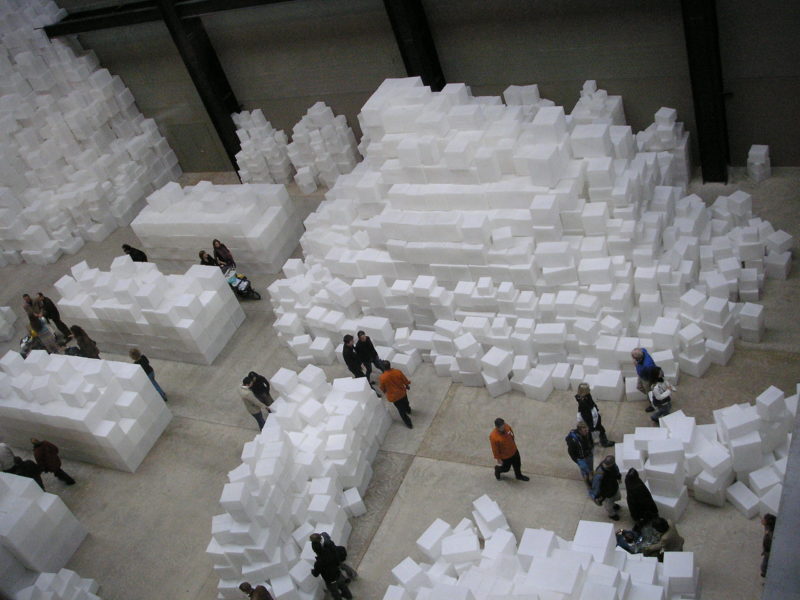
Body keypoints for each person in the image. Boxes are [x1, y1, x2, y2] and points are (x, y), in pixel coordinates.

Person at [310, 532, 353, 600]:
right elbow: (336, 560)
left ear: (315, 551)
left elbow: (316, 574)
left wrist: (312, 571)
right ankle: (349, 597)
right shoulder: (329, 552)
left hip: (331, 582)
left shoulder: (318, 563)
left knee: (336, 594)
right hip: (338, 575)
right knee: (344, 588)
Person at [575, 382, 615, 447]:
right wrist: (591, 425)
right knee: (597, 430)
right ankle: (602, 442)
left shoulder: (586, 396)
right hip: (591, 420)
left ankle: (593, 443)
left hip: (593, 416)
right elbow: (586, 415)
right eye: (588, 389)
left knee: (595, 430)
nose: (589, 390)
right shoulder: (583, 403)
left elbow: (592, 403)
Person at [379, 360, 413, 429]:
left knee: (401, 410)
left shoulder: (382, 377)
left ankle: (409, 424)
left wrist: (384, 391)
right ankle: (408, 410)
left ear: (383, 367)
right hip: (402, 393)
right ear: (390, 365)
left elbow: (383, 388)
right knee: (406, 402)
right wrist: (407, 385)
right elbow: (404, 379)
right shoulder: (397, 372)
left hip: (394, 397)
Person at [590, 455, 622, 520]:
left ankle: (613, 505)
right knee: (608, 505)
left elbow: (616, 470)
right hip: (605, 492)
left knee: (617, 497)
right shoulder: (600, 472)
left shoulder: (613, 466)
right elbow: (596, 484)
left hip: (613, 486)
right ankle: (612, 515)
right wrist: (596, 495)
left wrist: (618, 477)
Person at [566, 422, 594, 489]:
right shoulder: (573, 441)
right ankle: (588, 484)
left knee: (590, 468)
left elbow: (590, 440)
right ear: (579, 430)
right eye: (585, 431)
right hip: (581, 459)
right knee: (585, 472)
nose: (587, 432)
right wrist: (577, 461)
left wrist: (591, 446)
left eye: (587, 429)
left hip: (589, 454)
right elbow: (571, 452)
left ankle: (592, 477)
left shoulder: (587, 432)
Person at [761, 513, 776, 577]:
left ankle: (764, 572)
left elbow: (767, 545)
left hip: (769, 552)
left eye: (763, 520)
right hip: (767, 550)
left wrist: (765, 552)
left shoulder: (770, 535)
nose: (762, 520)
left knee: (764, 565)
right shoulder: (767, 527)